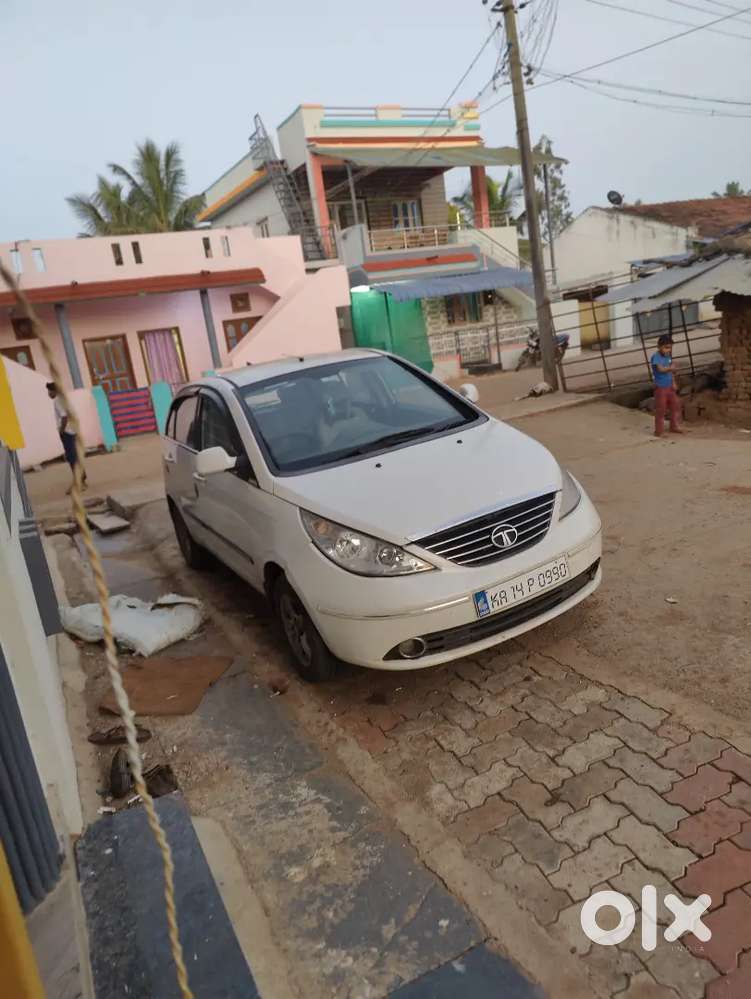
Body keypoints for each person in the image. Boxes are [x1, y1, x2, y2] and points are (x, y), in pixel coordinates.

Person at [47, 382, 87, 492]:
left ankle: (79, 482)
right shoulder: (64, 399)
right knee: (75, 456)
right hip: (73, 430)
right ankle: (82, 479)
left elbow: (64, 417)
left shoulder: (58, 401)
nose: (48, 393)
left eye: (50, 391)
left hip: (67, 432)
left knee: (72, 457)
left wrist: (61, 430)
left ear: (54, 391)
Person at [650, 335, 683, 438]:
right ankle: (659, 431)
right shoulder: (656, 357)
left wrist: (673, 382)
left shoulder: (667, 356)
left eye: (670, 348)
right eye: (666, 347)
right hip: (660, 387)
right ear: (659, 346)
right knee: (661, 409)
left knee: (675, 406)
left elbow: (670, 372)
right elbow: (660, 369)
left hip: (669, 386)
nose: (668, 350)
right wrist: (671, 367)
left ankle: (674, 426)